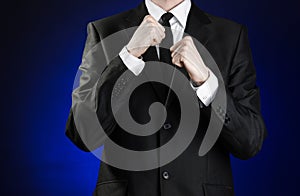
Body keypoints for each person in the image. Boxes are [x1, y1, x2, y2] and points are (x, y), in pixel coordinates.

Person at [66, 0, 267, 195]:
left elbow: (249, 142)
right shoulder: (104, 31)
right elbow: (82, 134)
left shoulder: (231, 35)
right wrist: (127, 58)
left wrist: (206, 83)